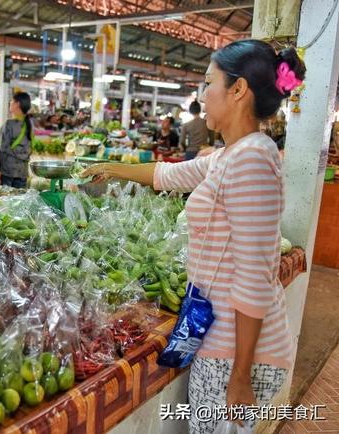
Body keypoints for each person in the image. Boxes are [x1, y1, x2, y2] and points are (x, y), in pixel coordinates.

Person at [81, 40, 305, 434]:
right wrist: (110, 168)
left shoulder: (251, 160)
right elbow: (167, 176)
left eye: (208, 83)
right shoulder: (231, 155)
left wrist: (239, 374)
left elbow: (254, 278)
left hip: (235, 353)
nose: (202, 95)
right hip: (222, 341)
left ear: (237, 90)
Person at [0, 92, 34, 188]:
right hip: (23, 171)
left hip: (8, 170)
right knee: (19, 200)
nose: (10, 103)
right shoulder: (30, 124)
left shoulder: (9, 124)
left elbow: (3, 149)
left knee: (6, 200)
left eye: (12, 101)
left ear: (17, 104)